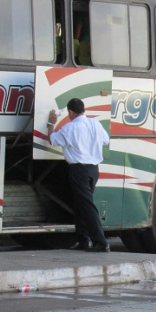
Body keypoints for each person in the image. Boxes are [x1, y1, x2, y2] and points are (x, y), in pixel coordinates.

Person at [47, 98, 110, 252]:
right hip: (94, 170)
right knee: (81, 205)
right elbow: (106, 140)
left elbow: (52, 140)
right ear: (83, 109)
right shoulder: (95, 123)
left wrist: (51, 124)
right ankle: (84, 241)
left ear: (70, 112)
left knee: (87, 206)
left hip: (79, 170)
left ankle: (101, 242)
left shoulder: (70, 128)